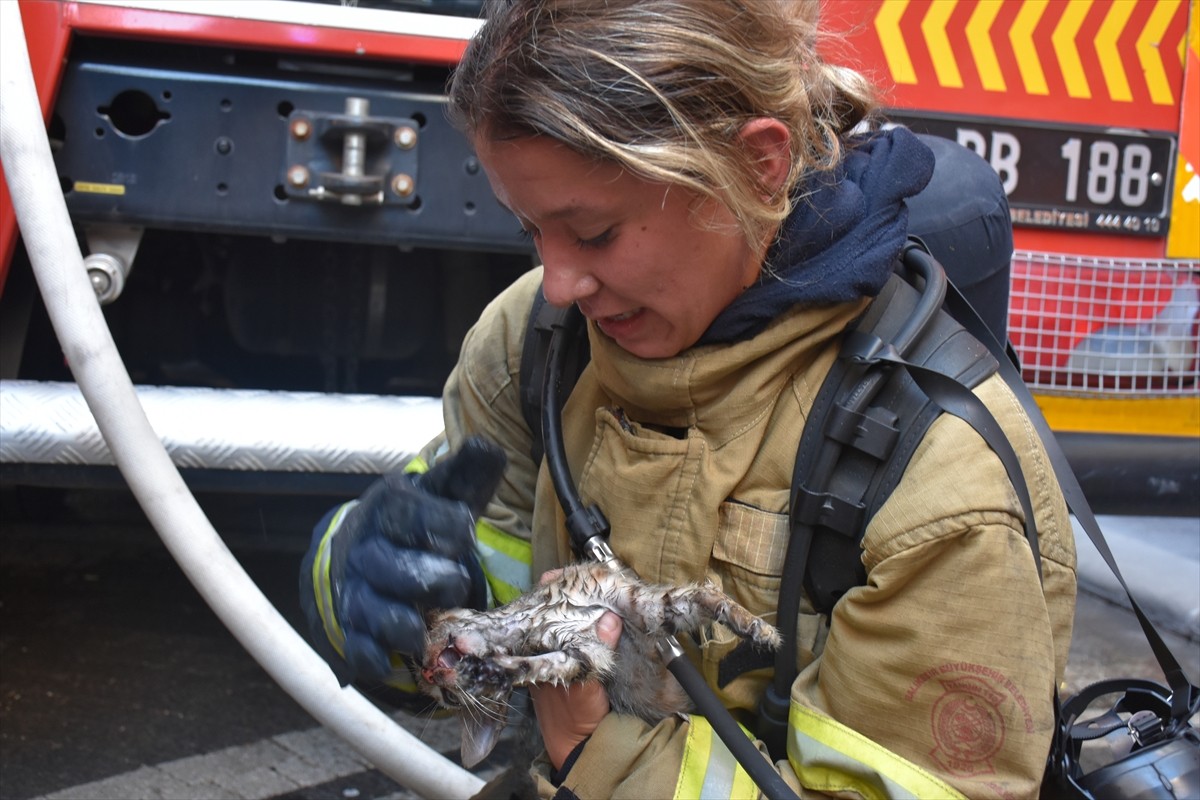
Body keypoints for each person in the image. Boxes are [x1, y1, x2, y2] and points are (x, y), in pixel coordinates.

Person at [299, 1, 1078, 797]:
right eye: (532, 230)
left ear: (759, 165)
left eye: (594, 232)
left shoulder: (935, 477)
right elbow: (471, 616)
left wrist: (599, 758)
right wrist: (378, 591)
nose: (560, 283)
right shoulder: (534, 343)